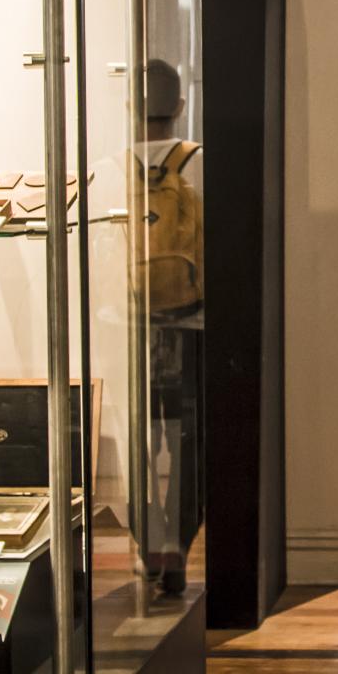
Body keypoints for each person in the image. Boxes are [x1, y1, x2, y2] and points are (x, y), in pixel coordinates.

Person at [137, 59, 204, 597]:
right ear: (179, 106)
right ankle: (178, 545)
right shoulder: (200, 163)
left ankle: (149, 543)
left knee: (140, 441)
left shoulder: (108, 166)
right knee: (186, 443)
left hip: (129, 329)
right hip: (192, 324)